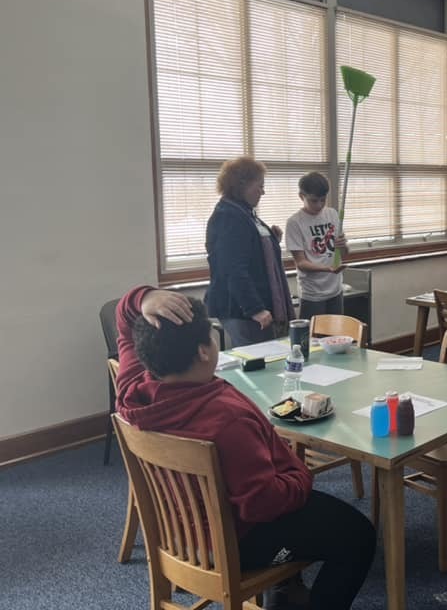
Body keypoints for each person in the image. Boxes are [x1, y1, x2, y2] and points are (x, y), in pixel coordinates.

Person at [114, 286, 375, 610]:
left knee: (315, 513)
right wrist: (300, 476)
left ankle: (284, 586)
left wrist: (144, 299)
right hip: (230, 543)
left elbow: (123, 320)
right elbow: (264, 504)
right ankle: (287, 583)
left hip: (179, 532)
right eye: (212, 336)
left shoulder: (131, 393)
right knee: (358, 535)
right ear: (203, 352)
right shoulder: (227, 421)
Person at [205, 157, 293, 347]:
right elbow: (233, 269)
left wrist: (272, 241)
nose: (263, 191)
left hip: (247, 307)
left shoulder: (243, 212)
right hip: (241, 309)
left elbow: (250, 252)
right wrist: (255, 309)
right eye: (259, 186)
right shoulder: (229, 217)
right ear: (241, 184)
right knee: (259, 363)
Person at [286, 172, 349, 319]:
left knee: (335, 339)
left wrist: (343, 246)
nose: (319, 205)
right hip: (312, 294)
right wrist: (327, 269)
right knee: (313, 340)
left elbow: (344, 253)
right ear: (301, 196)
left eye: (323, 200)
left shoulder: (333, 214)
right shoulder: (295, 222)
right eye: (314, 201)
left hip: (335, 290)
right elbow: (301, 263)